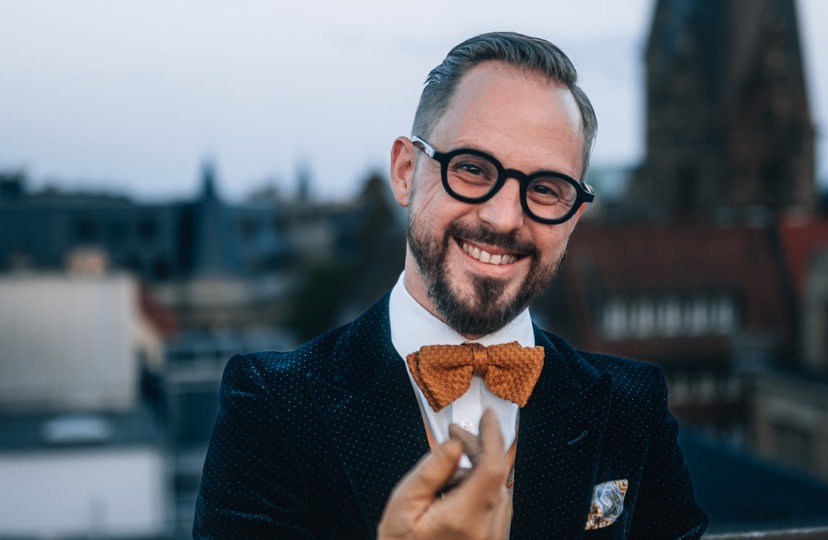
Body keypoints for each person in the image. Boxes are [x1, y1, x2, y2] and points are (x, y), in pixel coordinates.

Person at [194, 31, 708, 539]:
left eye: (547, 189)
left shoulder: (631, 407)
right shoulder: (271, 409)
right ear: (404, 171)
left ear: (573, 218)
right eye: (472, 169)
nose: (505, 218)